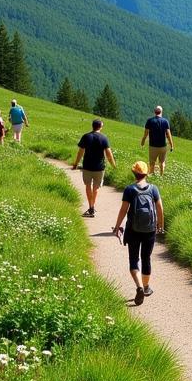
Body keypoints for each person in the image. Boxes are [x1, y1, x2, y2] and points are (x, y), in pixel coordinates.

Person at [112, 161, 164, 305]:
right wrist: (160, 225)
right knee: (146, 258)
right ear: (147, 173)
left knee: (134, 259)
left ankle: (139, 286)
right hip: (150, 229)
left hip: (133, 230)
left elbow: (123, 210)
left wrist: (117, 227)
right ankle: (146, 287)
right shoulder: (153, 189)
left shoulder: (130, 189)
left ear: (133, 173)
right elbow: (160, 208)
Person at [72, 119, 117, 218]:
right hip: (99, 167)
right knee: (96, 188)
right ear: (100, 127)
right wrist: (114, 165)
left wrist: (75, 164)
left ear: (92, 126)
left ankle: (90, 206)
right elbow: (109, 154)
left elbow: (80, 152)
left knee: (88, 186)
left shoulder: (86, 136)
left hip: (87, 166)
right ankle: (92, 206)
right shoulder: (104, 138)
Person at [140, 105, 174, 177]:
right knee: (162, 163)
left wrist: (142, 142)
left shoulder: (150, 121)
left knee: (152, 163)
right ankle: (161, 176)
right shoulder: (165, 121)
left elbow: (145, 134)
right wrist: (172, 145)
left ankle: (152, 176)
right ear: (161, 112)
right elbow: (168, 135)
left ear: (154, 112)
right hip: (163, 146)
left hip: (153, 146)